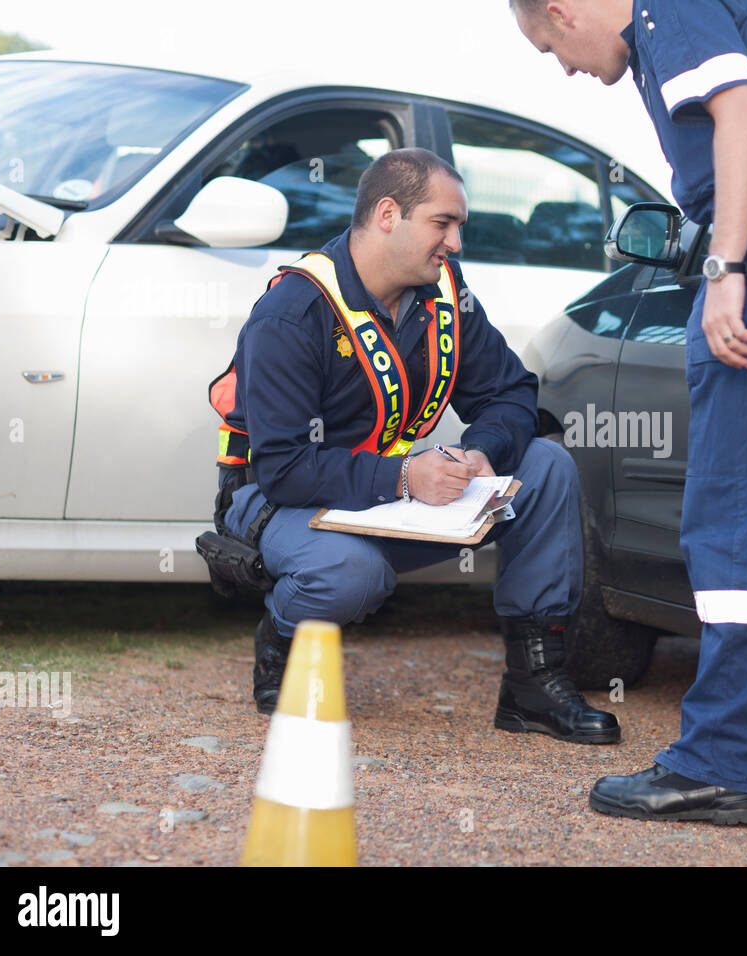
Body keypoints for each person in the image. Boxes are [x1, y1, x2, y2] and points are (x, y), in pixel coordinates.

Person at [512, 0, 747, 820]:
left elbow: (745, 113)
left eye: (554, 47)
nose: (569, 67)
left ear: (561, 7)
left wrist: (724, 268)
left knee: (735, 511)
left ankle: (720, 761)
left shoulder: (662, 9)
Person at [206, 147, 619, 744]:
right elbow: (285, 467)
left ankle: (534, 684)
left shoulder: (443, 292)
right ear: (388, 215)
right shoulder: (292, 312)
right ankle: (283, 644)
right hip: (277, 500)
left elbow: (511, 393)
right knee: (351, 572)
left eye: (458, 228)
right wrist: (405, 478)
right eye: (443, 224)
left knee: (545, 465)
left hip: (382, 497)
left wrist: (481, 452)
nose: (455, 243)